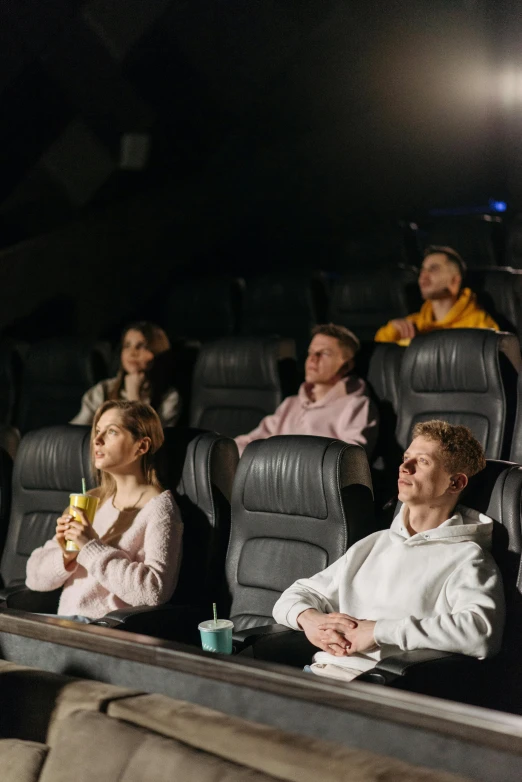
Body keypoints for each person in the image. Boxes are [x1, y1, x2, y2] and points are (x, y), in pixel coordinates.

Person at [273, 420, 504, 682]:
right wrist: (310, 620)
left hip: (376, 689)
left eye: (423, 462)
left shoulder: (468, 558)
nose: (404, 467)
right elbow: (294, 595)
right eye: (406, 458)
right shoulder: (374, 544)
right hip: (317, 676)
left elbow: (481, 633)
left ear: (455, 483)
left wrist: (379, 631)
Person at [26, 400, 183, 621]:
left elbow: (154, 590)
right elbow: (33, 577)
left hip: (105, 632)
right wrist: (67, 555)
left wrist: (90, 547)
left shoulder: (160, 509)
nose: (96, 441)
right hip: (67, 625)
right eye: (97, 431)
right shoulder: (91, 500)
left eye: (111, 432)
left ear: (142, 446)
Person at [235, 324, 379, 457]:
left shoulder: (356, 405)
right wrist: (223, 452)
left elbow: (349, 460)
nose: (312, 359)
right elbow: (251, 442)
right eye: (311, 352)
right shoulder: (291, 403)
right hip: (273, 478)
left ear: (347, 366)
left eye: (324, 353)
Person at [374, 246, 499, 346]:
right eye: (422, 269)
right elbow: (379, 352)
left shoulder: (479, 324)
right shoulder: (414, 324)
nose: (423, 276)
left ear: (454, 281)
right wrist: (393, 329)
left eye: (433, 269)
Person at [71, 322, 180, 427]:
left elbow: (149, 437)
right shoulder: (104, 389)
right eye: (127, 345)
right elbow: (75, 431)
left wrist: (134, 394)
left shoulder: (169, 397)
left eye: (141, 346)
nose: (132, 353)